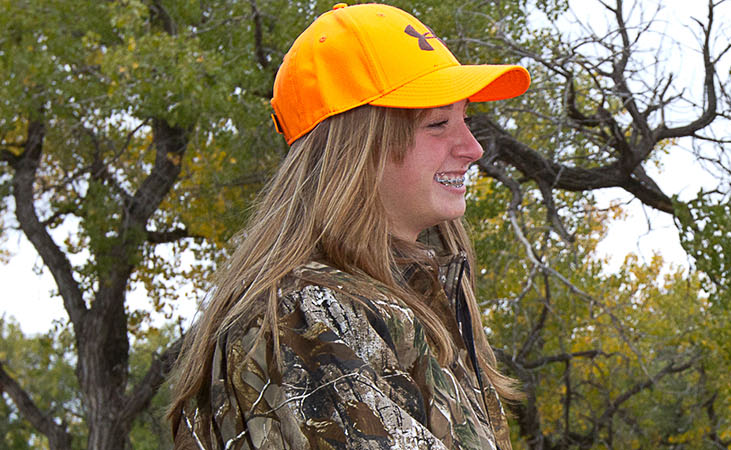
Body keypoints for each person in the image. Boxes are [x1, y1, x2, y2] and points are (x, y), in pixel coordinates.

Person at [161, 3, 531, 449]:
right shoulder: (305, 319)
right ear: (356, 149)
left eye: (465, 119)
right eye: (438, 124)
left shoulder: (415, 298)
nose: (473, 148)